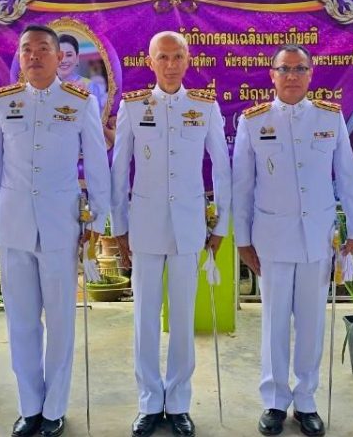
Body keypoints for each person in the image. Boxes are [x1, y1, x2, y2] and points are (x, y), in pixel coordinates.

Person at [0, 25, 112, 437]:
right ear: (19, 57)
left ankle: (54, 409)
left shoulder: (79, 102)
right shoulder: (4, 102)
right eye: (26, 50)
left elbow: (97, 164)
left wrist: (97, 219)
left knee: (60, 321)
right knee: (21, 322)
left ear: (59, 57)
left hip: (61, 226)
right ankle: (29, 406)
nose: (34, 56)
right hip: (14, 224)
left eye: (42, 49)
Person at [232, 44, 353, 437]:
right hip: (272, 240)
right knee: (274, 323)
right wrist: (243, 239)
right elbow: (243, 186)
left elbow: (347, 176)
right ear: (272, 75)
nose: (291, 76)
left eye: (299, 69)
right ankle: (275, 401)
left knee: (311, 324)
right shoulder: (253, 121)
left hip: (317, 239)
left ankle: (306, 400)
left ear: (310, 74)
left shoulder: (329, 117)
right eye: (284, 69)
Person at [110, 31, 232, 437]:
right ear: (150, 62)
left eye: (178, 56)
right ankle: (149, 401)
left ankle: (178, 402)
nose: (170, 64)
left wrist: (221, 224)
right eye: (162, 57)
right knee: (145, 318)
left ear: (188, 59)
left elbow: (222, 167)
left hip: (188, 226)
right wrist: (119, 226)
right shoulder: (132, 107)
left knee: (182, 318)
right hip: (144, 226)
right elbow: (118, 169)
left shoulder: (204, 106)